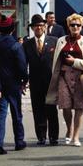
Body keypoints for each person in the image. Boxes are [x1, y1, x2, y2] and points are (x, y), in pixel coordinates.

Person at [46, 14, 83, 147]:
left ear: (82, 26)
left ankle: (76, 136)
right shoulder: (61, 40)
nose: (75, 27)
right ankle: (69, 129)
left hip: (81, 77)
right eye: (72, 25)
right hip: (63, 76)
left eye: (78, 25)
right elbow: (55, 60)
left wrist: (75, 62)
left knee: (79, 107)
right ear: (68, 26)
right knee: (65, 106)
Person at [0, 16, 28, 153]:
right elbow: (22, 66)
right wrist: (24, 80)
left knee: (0, 113)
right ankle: (19, 141)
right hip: (13, 83)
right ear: (13, 29)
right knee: (16, 112)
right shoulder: (16, 45)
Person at [23, 14, 60, 146]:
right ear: (32, 28)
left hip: (51, 81)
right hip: (35, 81)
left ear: (45, 27)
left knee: (51, 109)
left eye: (40, 25)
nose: (38, 28)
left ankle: (54, 136)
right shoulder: (27, 44)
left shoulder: (54, 41)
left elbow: (60, 61)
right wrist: (24, 80)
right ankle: (41, 136)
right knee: (38, 109)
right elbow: (24, 64)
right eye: (35, 26)